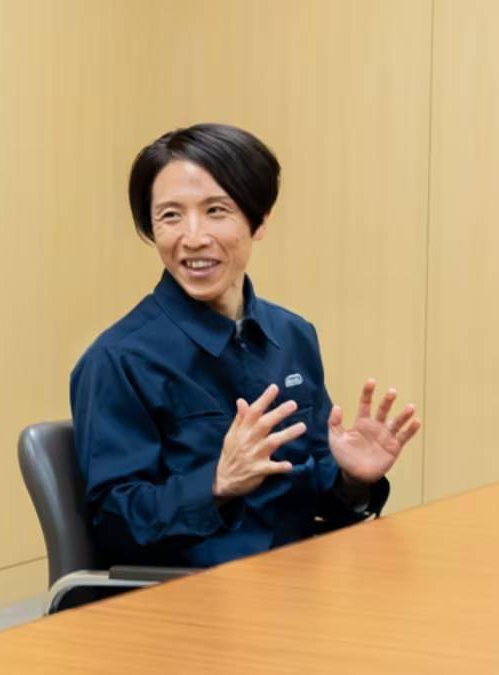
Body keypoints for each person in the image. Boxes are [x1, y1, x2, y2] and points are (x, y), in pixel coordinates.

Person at [70, 123, 421, 568]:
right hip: (193, 592)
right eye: (171, 216)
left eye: (216, 211)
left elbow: (315, 493)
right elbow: (114, 524)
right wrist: (216, 483)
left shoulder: (293, 335)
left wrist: (352, 480)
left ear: (259, 221)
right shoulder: (117, 360)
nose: (193, 237)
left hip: (298, 578)